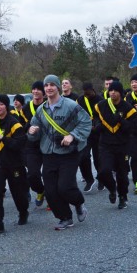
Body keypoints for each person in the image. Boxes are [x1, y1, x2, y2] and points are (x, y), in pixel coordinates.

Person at [27, 74, 92, 230]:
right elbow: (32, 133)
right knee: (50, 191)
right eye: (46, 85)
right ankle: (65, 218)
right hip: (48, 154)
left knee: (64, 187)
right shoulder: (41, 110)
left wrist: (72, 135)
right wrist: (31, 131)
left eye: (52, 85)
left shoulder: (70, 105)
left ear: (57, 87)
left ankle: (78, 203)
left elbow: (86, 123)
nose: (49, 88)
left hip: (69, 153)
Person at [0, 94, 29, 234]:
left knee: (18, 192)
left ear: (6, 106)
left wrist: (3, 138)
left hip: (14, 163)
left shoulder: (14, 123)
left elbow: (20, 144)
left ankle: (23, 212)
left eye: (1, 104)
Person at [94, 81, 137, 209]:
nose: (112, 92)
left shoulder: (128, 108)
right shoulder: (101, 105)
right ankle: (112, 189)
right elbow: (95, 116)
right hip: (105, 144)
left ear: (120, 93)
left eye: (115, 90)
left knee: (122, 173)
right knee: (103, 172)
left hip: (122, 145)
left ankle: (122, 196)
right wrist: (98, 125)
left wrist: (121, 121)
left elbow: (134, 127)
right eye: (110, 90)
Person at [18, 81, 47, 206]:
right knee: (32, 175)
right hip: (31, 146)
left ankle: (53, 199)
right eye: (33, 89)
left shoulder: (48, 106)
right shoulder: (25, 109)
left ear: (44, 93)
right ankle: (41, 191)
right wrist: (29, 127)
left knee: (50, 174)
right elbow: (20, 128)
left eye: (38, 89)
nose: (35, 91)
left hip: (47, 143)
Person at [76, 82, 102, 193]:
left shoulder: (100, 100)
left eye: (88, 93)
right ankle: (89, 179)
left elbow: (103, 117)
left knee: (98, 158)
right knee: (83, 156)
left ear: (93, 90)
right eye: (85, 93)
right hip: (85, 133)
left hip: (98, 133)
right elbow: (76, 115)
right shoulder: (80, 100)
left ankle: (102, 179)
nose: (86, 95)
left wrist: (96, 127)